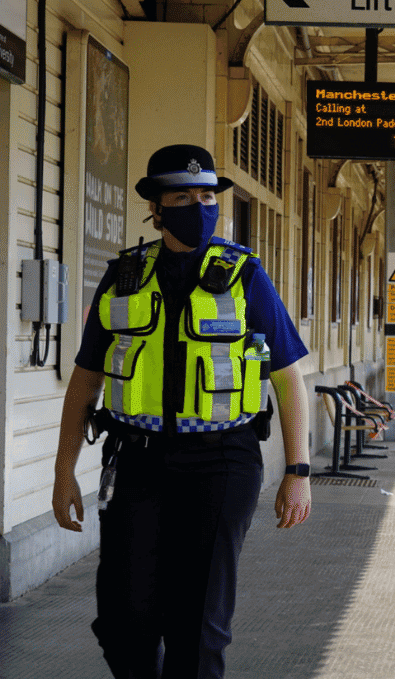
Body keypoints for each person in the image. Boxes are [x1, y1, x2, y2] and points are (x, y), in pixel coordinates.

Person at [51, 144, 312, 679]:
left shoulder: (245, 277)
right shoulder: (125, 275)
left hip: (223, 464)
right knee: (124, 619)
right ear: (157, 208)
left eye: (206, 195)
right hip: (138, 462)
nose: (199, 205)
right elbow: (85, 379)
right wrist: (63, 472)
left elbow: (287, 379)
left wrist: (298, 471)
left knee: (198, 626)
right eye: (182, 196)